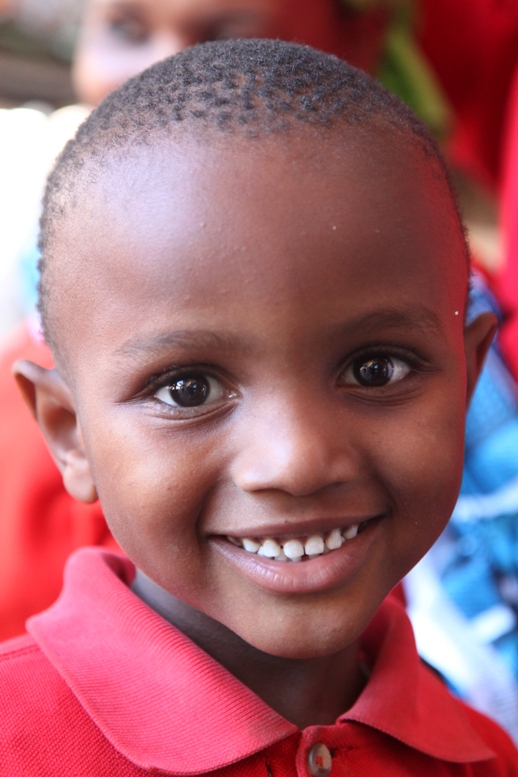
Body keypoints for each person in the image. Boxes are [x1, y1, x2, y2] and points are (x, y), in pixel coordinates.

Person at [1, 39, 517, 773]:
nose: (298, 461)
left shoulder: (483, 758)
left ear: (466, 383)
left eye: (375, 370)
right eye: (188, 389)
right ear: (68, 433)